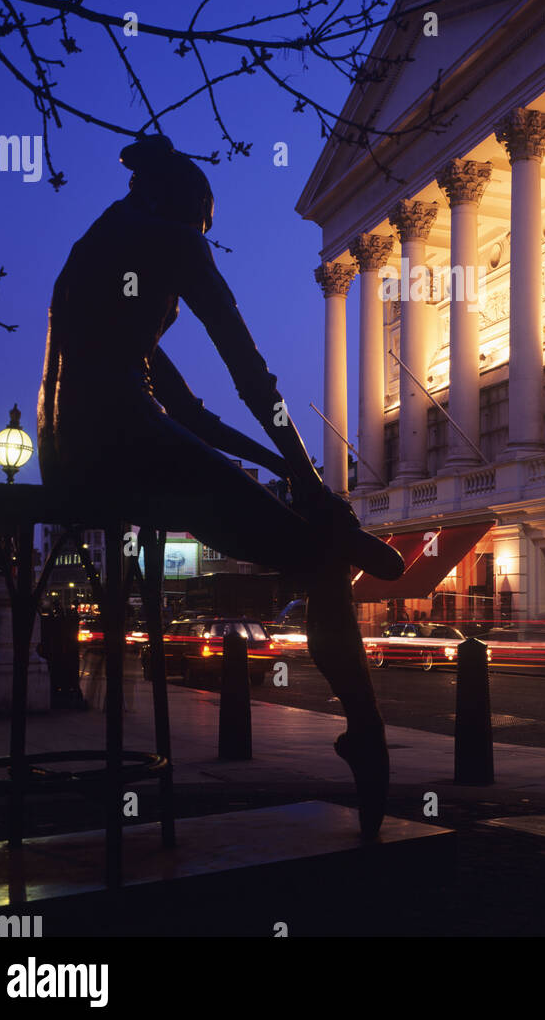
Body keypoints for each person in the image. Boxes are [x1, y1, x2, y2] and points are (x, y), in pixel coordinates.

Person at [37, 133, 403, 836]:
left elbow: (194, 417)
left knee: (308, 528)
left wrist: (293, 475)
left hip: (76, 450)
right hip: (121, 441)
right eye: (203, 229)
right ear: (183, 209)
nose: (200, 243)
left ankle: (337, 538)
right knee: (319, 557)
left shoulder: (95, 257)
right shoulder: (172, 240)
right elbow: (250, 374)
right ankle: (361, 722)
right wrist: (303, 472)